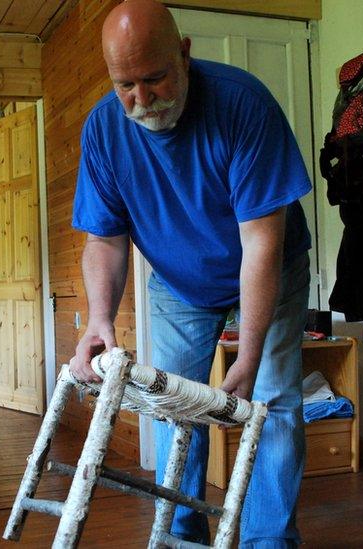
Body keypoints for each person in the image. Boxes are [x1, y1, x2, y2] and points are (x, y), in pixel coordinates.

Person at [68, 0, 312, 547]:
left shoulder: (243, 104)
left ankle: (267, 541)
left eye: (154, 79)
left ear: (184, 54)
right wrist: (99, 320)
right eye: (124, 85)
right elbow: (105, 238)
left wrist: (247, 358)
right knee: (173, 406)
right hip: (179, 282)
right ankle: (180, 536)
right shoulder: (104, 130)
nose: (141, 99)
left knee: (269, 406)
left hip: (268, 265)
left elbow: (260, 243)